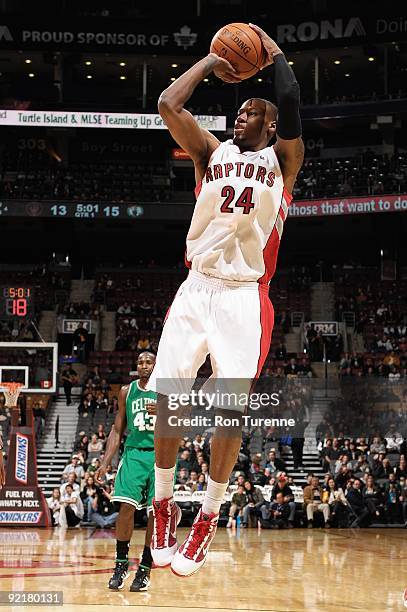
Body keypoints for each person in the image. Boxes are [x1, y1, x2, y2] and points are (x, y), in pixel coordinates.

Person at [148, 23, 303, 578]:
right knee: (166, 399)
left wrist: (274, 51)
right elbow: (169, 102)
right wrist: (215, 59)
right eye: (239, 110)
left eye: (253, 110)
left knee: (227, 411)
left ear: (273, 125)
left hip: (244, 295)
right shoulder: (210, 153)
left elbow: (290, 97)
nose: (242, 114)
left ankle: (209, 515)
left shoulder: (283, 165)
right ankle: (164, 505)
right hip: (197, 287)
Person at [95, 352, 157, 592]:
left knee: (155, 513)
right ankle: (120, 565)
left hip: (159, 455)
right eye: (140, 362)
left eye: (148, 362)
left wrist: (164, 414)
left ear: (155, 365)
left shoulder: (166, 391)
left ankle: (145, 568)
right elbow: (117, 428)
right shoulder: (126, 392)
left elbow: (181, 423)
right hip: (133, 453)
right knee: (125, 507)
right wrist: (105, 461)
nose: (143, 365)